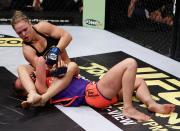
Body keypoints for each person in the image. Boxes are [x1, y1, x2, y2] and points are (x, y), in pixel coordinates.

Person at [16, 56, 175, 122]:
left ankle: (150, 103)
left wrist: (58, 69)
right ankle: (128, 108)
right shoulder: (41, 88)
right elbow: (35, 63)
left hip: (98, 93)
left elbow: (74, 69)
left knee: (138, 81)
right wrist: (39, 70)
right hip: (94, 92)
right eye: (27, 80)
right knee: (130, 63)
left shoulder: (52, 80)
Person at [11, 10, 72, 106]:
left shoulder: (42, 27)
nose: (23, 34)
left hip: (64, 64)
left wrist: (56, 50)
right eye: (19, 33)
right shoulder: (27, 49)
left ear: (30, 23)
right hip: (49, 71)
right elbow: (44, 68)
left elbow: (67, 36)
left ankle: (43, 93)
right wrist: (37, 73)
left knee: (59, 49)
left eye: (25, 29)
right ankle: (33, 93)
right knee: (20, 74)